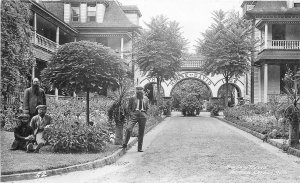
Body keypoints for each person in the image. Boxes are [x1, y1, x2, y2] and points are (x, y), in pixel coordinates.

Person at [122, 86, 149, 152]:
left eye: (141, 89)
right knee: (128, 128)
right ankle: (125, 144)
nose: (139, 91)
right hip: (134, 114)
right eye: (138, 89)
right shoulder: (132, 98)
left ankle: (139, 148)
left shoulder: (146, 98)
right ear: (136, 90)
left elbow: (147, 108)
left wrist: (145, 114)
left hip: (143, 115)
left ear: (143, 91)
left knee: (141, 132)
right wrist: (132, 114)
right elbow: (129, 108)